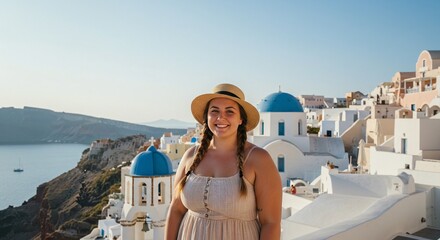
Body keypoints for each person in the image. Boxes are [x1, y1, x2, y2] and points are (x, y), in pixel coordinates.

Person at [165, 83, 282, 240]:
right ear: (207, 117)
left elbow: (271, 223)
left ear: (241, 119)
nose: (221, 117)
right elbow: (176, 210)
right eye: (215, 111)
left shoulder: (258, 159)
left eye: (229, 111)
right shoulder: (190, 156)